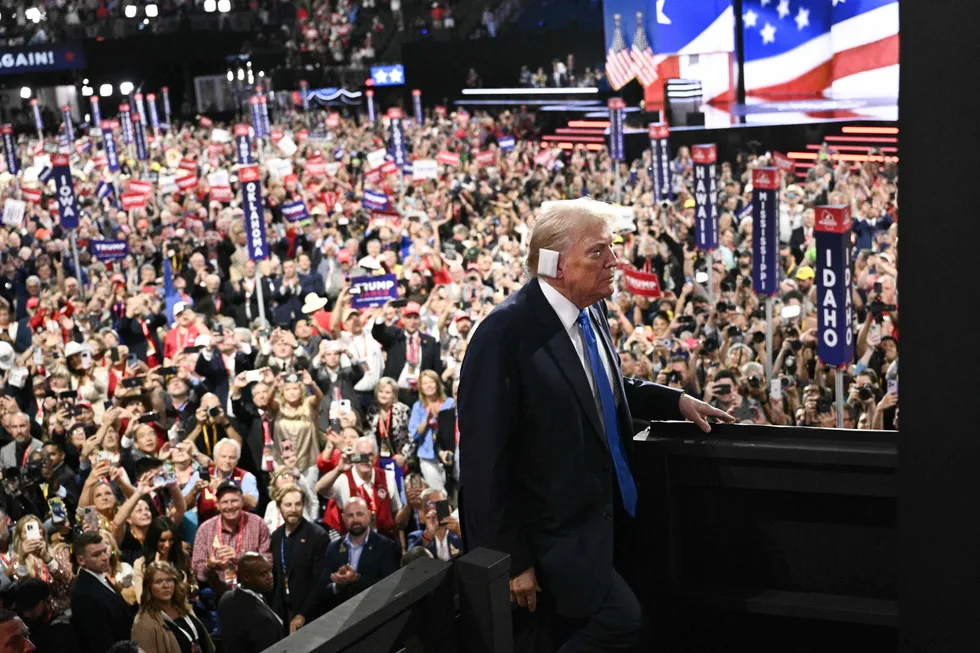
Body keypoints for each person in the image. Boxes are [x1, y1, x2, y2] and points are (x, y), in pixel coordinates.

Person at [458, 198, 733, 651]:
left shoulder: (591, 311)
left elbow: (602, 385)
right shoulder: (502, 336)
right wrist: (511, 560)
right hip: (552, 542)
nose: (614, 262)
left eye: (612, 248)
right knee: (624, 625)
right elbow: (483, 462)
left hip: (604, 524)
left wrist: (676, 399)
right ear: (555, 264)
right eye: (598, 252)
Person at [318, 497, 400, 610]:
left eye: (359, 514)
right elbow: (322, 588)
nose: (355, 519)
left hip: (375, 611)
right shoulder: (334, 548)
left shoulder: (386, 546)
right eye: (350, 515)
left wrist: (356, 579)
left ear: (369, 515)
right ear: (343, 518)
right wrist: (338, 585)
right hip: (340, 614)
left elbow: (390, 586)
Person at [191, 481, 271, 594]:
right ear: (217, 505)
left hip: (252, 593)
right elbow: (197, 572)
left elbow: (268, 563)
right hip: (216, 596)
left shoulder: (258, 524)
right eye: (224, 502)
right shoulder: (205, 529)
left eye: (234, 501)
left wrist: (240, 560)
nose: (229, 506)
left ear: (243, 502)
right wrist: (210, 565)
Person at [270, 485, 328, 632]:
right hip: (283, 614)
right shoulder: (276, 537)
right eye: (288, 505)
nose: (293, 509)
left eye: (298, 504)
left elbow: (320, 581)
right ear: (279, 507)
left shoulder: (318, 536)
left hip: (310, 615)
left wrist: (303, 614)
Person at [70, 530, 135, 653]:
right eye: (96, 554)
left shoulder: (100, 578)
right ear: (81, 560)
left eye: (105, 551)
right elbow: (99, 642)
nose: (105, 557)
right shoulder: (83, 593)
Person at [131, 562, 213, 653]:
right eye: (158, 582)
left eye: (169, 580)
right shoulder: (143, 622)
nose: (166, 586)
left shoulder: (184, 608)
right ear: (149, 587)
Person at [372, 301, 443, 406]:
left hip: (420, 394)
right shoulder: (394, 336)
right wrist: (383, 313)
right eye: (409, 318)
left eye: (415, 318)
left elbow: (436, 368)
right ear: (403, 319)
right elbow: (378, 333)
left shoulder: (430, 341)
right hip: (396, 393)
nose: (412, 321)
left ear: (420, 320)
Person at [216, 553, 285, 653]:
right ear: (247, 577)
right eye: (263, 574)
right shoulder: (260, 616)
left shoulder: (226, 597)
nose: (270, 577)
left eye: (270, 571)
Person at [407, 371, 455, 492]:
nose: (428, 385)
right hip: (428, 457)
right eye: (425, 383)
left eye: (431, 382)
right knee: (438, 494)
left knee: (454, 491)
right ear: (420, 387)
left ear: (437, 383)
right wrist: (426, 420)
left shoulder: (449, 403)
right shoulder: (418, 406)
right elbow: (415, 434)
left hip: (449, 454)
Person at [132, 517, 195, 604]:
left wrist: (188, 588)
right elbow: (141, 599)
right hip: (156, 614)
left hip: (183, 610)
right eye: (162, 540)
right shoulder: (141, 564)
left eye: (170, 540)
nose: (167, 545)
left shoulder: (181, 556)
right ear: (154, 540)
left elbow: (194, 585)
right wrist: (154, 573)